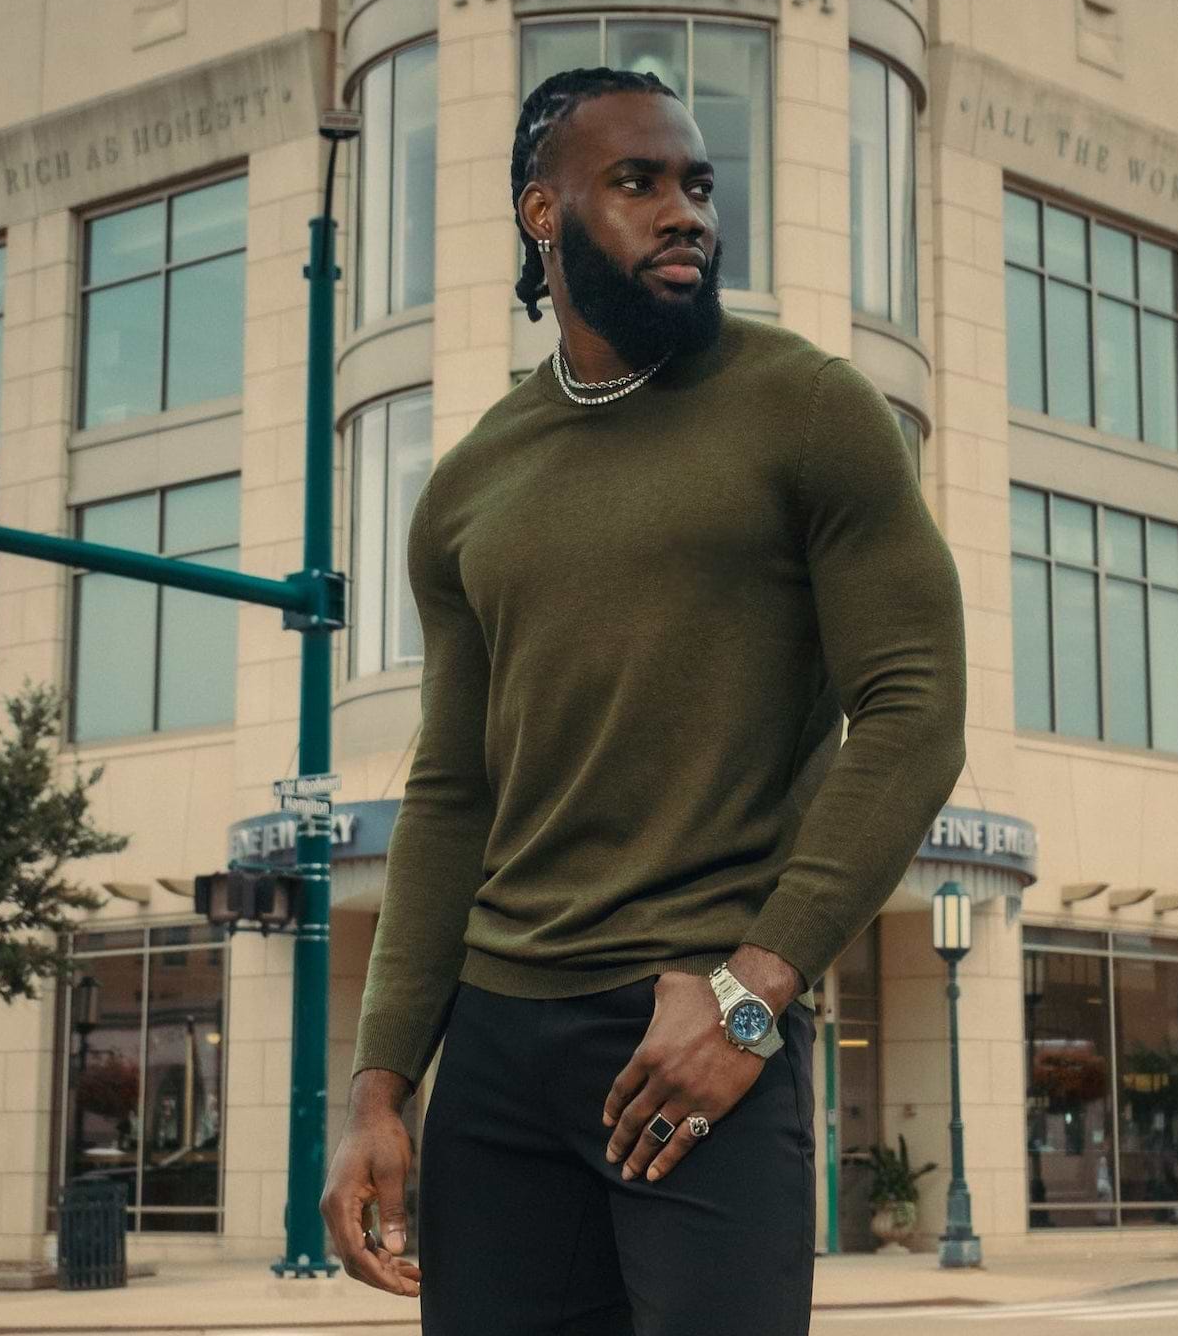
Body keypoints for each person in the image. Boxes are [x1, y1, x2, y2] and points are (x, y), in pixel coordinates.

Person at [320, 65, 967, 1335]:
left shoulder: (809, 408)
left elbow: (916, 705)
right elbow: (452, 791)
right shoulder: (468, 485)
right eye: (637, 182)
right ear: (542, 215)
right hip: (499, 1044)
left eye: (697, 184)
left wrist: (752, 990)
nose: (686, 212)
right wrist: (381, 1091)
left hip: (694, 1032)